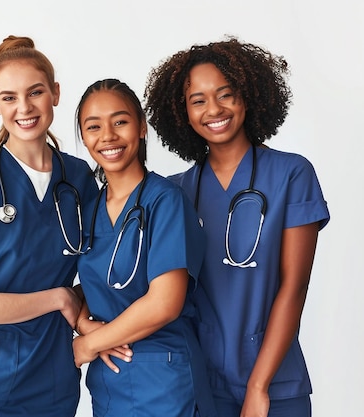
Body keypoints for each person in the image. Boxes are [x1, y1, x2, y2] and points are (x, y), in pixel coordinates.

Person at [143, 37, 330, 417]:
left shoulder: (292, 175)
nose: (214, 109)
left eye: (226, 94)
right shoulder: (175, 192)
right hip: (199, 382)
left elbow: (294, 287)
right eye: (198, 101)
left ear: (248, 96)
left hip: (275, 384)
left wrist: (259, 387)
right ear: (182, 113)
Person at [0, 35, 99, 417]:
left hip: (54, 370)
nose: (24, 108)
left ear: (55, 94)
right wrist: (60, 299)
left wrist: (90, 320)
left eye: (35, 92)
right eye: (9, 97)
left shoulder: (78, 178)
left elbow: (98, 267)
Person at [72, 78, 216, 417]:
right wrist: (84, 324)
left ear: (141, 128)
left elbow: (165, 302)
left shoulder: (164, 201)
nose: (107, 135)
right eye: (93, 126)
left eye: (120, 121)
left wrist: (89, 344)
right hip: (110, 381)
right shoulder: (87, 210)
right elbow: (82, 286)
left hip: (164, 380)